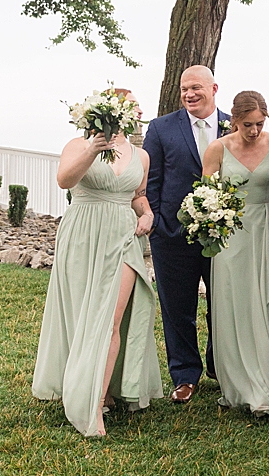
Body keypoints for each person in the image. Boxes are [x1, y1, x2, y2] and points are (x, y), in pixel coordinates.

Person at [33, 91, 162, 436]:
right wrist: (93, 148)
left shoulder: (141, 154)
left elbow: (137, 196)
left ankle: (96, 400)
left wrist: (147, 213)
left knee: (111, 319)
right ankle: (81, 385)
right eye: (129, 106)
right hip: (83, 233)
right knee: (82, 314)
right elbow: (65, 181)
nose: (134, 112)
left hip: (123, 237)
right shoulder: (78, 145)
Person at [201, 90, 269, 418]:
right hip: (231, 235)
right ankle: (241, 384)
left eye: (259, 123)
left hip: (267, 226)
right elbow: (205, 198)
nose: (254, 131)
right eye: (247, 125)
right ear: (234, 120)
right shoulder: (217, 149)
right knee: (236, 302)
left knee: (268, 299)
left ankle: (268, 378)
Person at [143, 66, 230, 403]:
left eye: (196, 88)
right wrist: (159, 224)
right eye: (184, 90)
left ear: (213, 88)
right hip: (172, 234)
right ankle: (184, 374)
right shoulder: (161, 128)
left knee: (223, 305)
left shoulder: (231, 125)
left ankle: (220, 368)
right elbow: (151, 180)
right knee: (177, 307)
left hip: (221, 236)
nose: (189, 94)